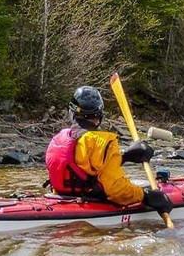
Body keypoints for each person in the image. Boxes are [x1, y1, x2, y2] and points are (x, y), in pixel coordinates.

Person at [45, 85, 173, 217]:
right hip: (91, 200)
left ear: (71, 113)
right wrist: (146, 196)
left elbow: (85, 167)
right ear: (100, 115)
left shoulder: (58, 139)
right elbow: (116, 191)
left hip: (60, 198)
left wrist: (125, 156)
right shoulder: (101, 143)